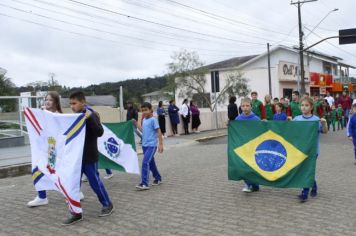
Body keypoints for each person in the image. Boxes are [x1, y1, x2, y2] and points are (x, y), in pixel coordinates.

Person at [27, 92, 86, 207]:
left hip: (57, 151)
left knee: (63, 172)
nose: (47, 102)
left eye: (50, 100)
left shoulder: (60, 116)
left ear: (56, 102)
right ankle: (42, 197)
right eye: (46, 100)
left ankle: (75, 192)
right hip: (44, 150)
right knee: (38, 168)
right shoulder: (41, 114)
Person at [63, 91, 113, 225]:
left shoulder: (91, 114)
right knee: (73, 184)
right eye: (70, 104)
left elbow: (100, 132)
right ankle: (76, 213)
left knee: (95, 182)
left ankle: (107, 204)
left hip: (89, 157)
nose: (72, 106)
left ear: (82, 102)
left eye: (74, 103)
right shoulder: (75, 117)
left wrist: (90, 118)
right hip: (76, 158)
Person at [293, 97, 327, 202]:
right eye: (302, 105)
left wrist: (324, 123)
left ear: (311, 107)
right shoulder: (297, 119)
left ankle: (304, 193)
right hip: (300, 150)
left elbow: (324, 132)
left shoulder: (316, 120)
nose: (304, 107)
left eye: (306, 105)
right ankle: (314, 186)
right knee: (305, 170)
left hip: (312, 151)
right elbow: (289, 131)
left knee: (306, 170)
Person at [136, 102, 164, 190]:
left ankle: (144, 183)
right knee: (151, 163)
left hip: (152, 145)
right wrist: (136, 124)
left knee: (145, 162)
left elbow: (158, 131)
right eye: (142, 110)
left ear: (150, 109)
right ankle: (158, 178)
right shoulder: (144, 120)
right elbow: (143, 131)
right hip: (144, 145)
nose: (144, 112)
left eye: (146, 110)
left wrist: (160, 144)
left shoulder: (153, 120)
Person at [235, 97, 260, 193]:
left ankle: (255, 185)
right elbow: (235, 132)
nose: (245, 108)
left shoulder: (256, 119)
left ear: (251, 107)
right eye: (243, 106)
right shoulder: (238, 119)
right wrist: (229, 125)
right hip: (243, 147)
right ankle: (248, 184)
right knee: (244, 166)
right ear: (240, 107)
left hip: (253, 147)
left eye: (247, 106)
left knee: (252, 166)